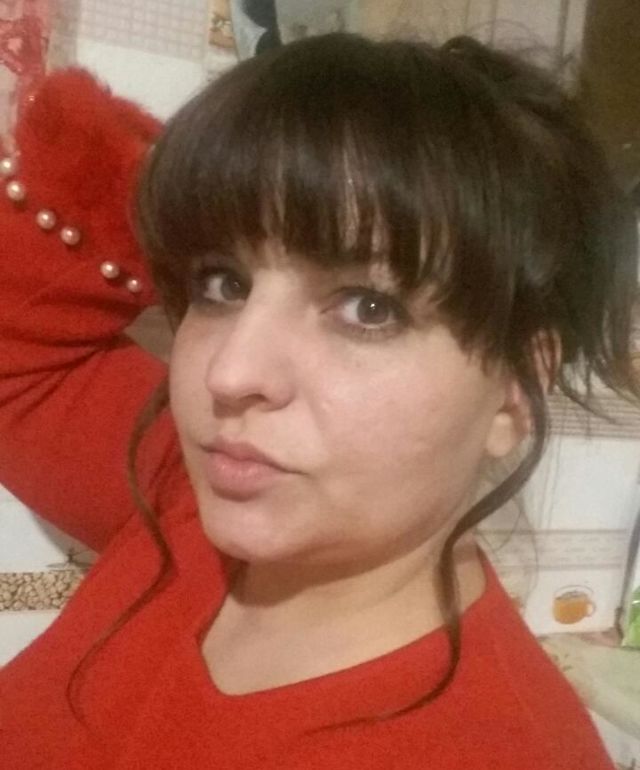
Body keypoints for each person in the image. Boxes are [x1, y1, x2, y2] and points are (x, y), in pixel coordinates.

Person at [0, 32, 636, 770]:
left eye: (368, 307)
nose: (229, 373)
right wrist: (216, 177)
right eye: (223, 283)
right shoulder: (191, 497)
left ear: (513, 390)